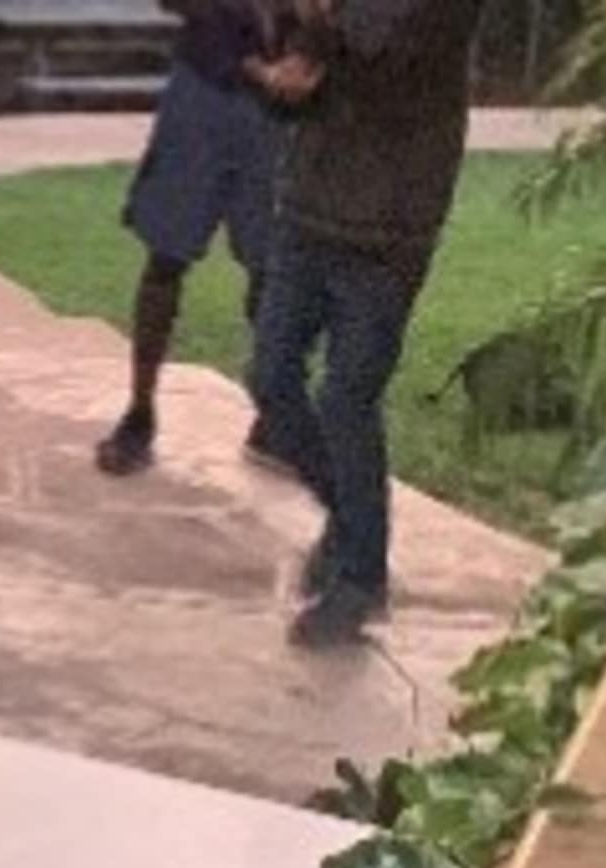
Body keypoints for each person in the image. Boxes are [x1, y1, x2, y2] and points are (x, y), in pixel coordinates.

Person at [244, 0, 487, 648]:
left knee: (348, 397)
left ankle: (358, 580)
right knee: (269, 377)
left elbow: (386, 56)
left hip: (389, 225)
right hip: (307, 206)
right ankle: (351, 522)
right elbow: (306, 72)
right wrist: (279, 77)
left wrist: (313, 18)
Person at [93, 0, 289, 477]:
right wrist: (252, 63)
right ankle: (140, 412)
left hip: (276, 110)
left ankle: (276, 415)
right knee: (166, 257)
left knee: (271, 270)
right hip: (205, 90)